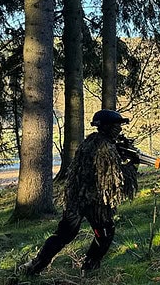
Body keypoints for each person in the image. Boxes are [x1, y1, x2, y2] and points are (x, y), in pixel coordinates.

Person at [20, 109, 138, 275]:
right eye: (116, 125)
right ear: (106, 127)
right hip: (94, 202)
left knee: (63, 235)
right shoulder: (104, 147)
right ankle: (89, 271)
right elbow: (113, 179)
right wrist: (132, 165)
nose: (119, 128)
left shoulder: (91, 142)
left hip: (76, 198)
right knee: (104, 234)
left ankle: (34, 267)